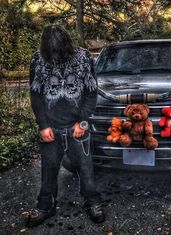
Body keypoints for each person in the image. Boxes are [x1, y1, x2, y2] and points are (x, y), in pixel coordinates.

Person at [26, 25, 105, 227]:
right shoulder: (37, 59)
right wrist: (43, 125)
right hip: (51, 127)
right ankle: (45, 206)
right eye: (51, 51)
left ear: (66, 44)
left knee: (86, 169)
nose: (55, 55)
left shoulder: (84, 57)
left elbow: (91, 92)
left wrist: (83, 122)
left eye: (58, 51)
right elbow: (36, 95)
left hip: (78, 127)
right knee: (48, 170)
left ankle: (92, 202)